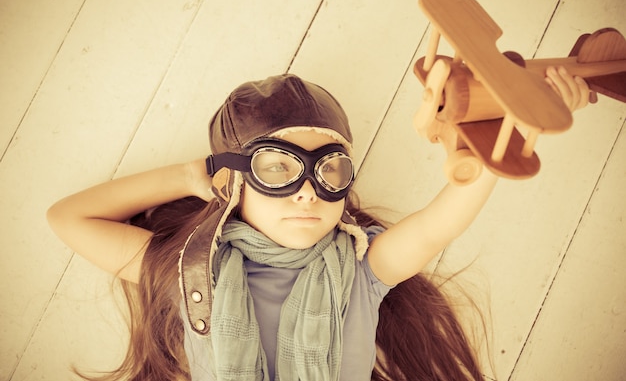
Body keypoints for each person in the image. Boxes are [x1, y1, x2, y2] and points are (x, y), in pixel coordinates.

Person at [47, 67, 589, 381]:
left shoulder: (361, 267)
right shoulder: (191, 273)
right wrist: (192, 174)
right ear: (234, 183)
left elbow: (436, 227)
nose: (309, 189)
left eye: (329, 168)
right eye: (276, 168)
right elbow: (68, 217)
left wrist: (508, 143)